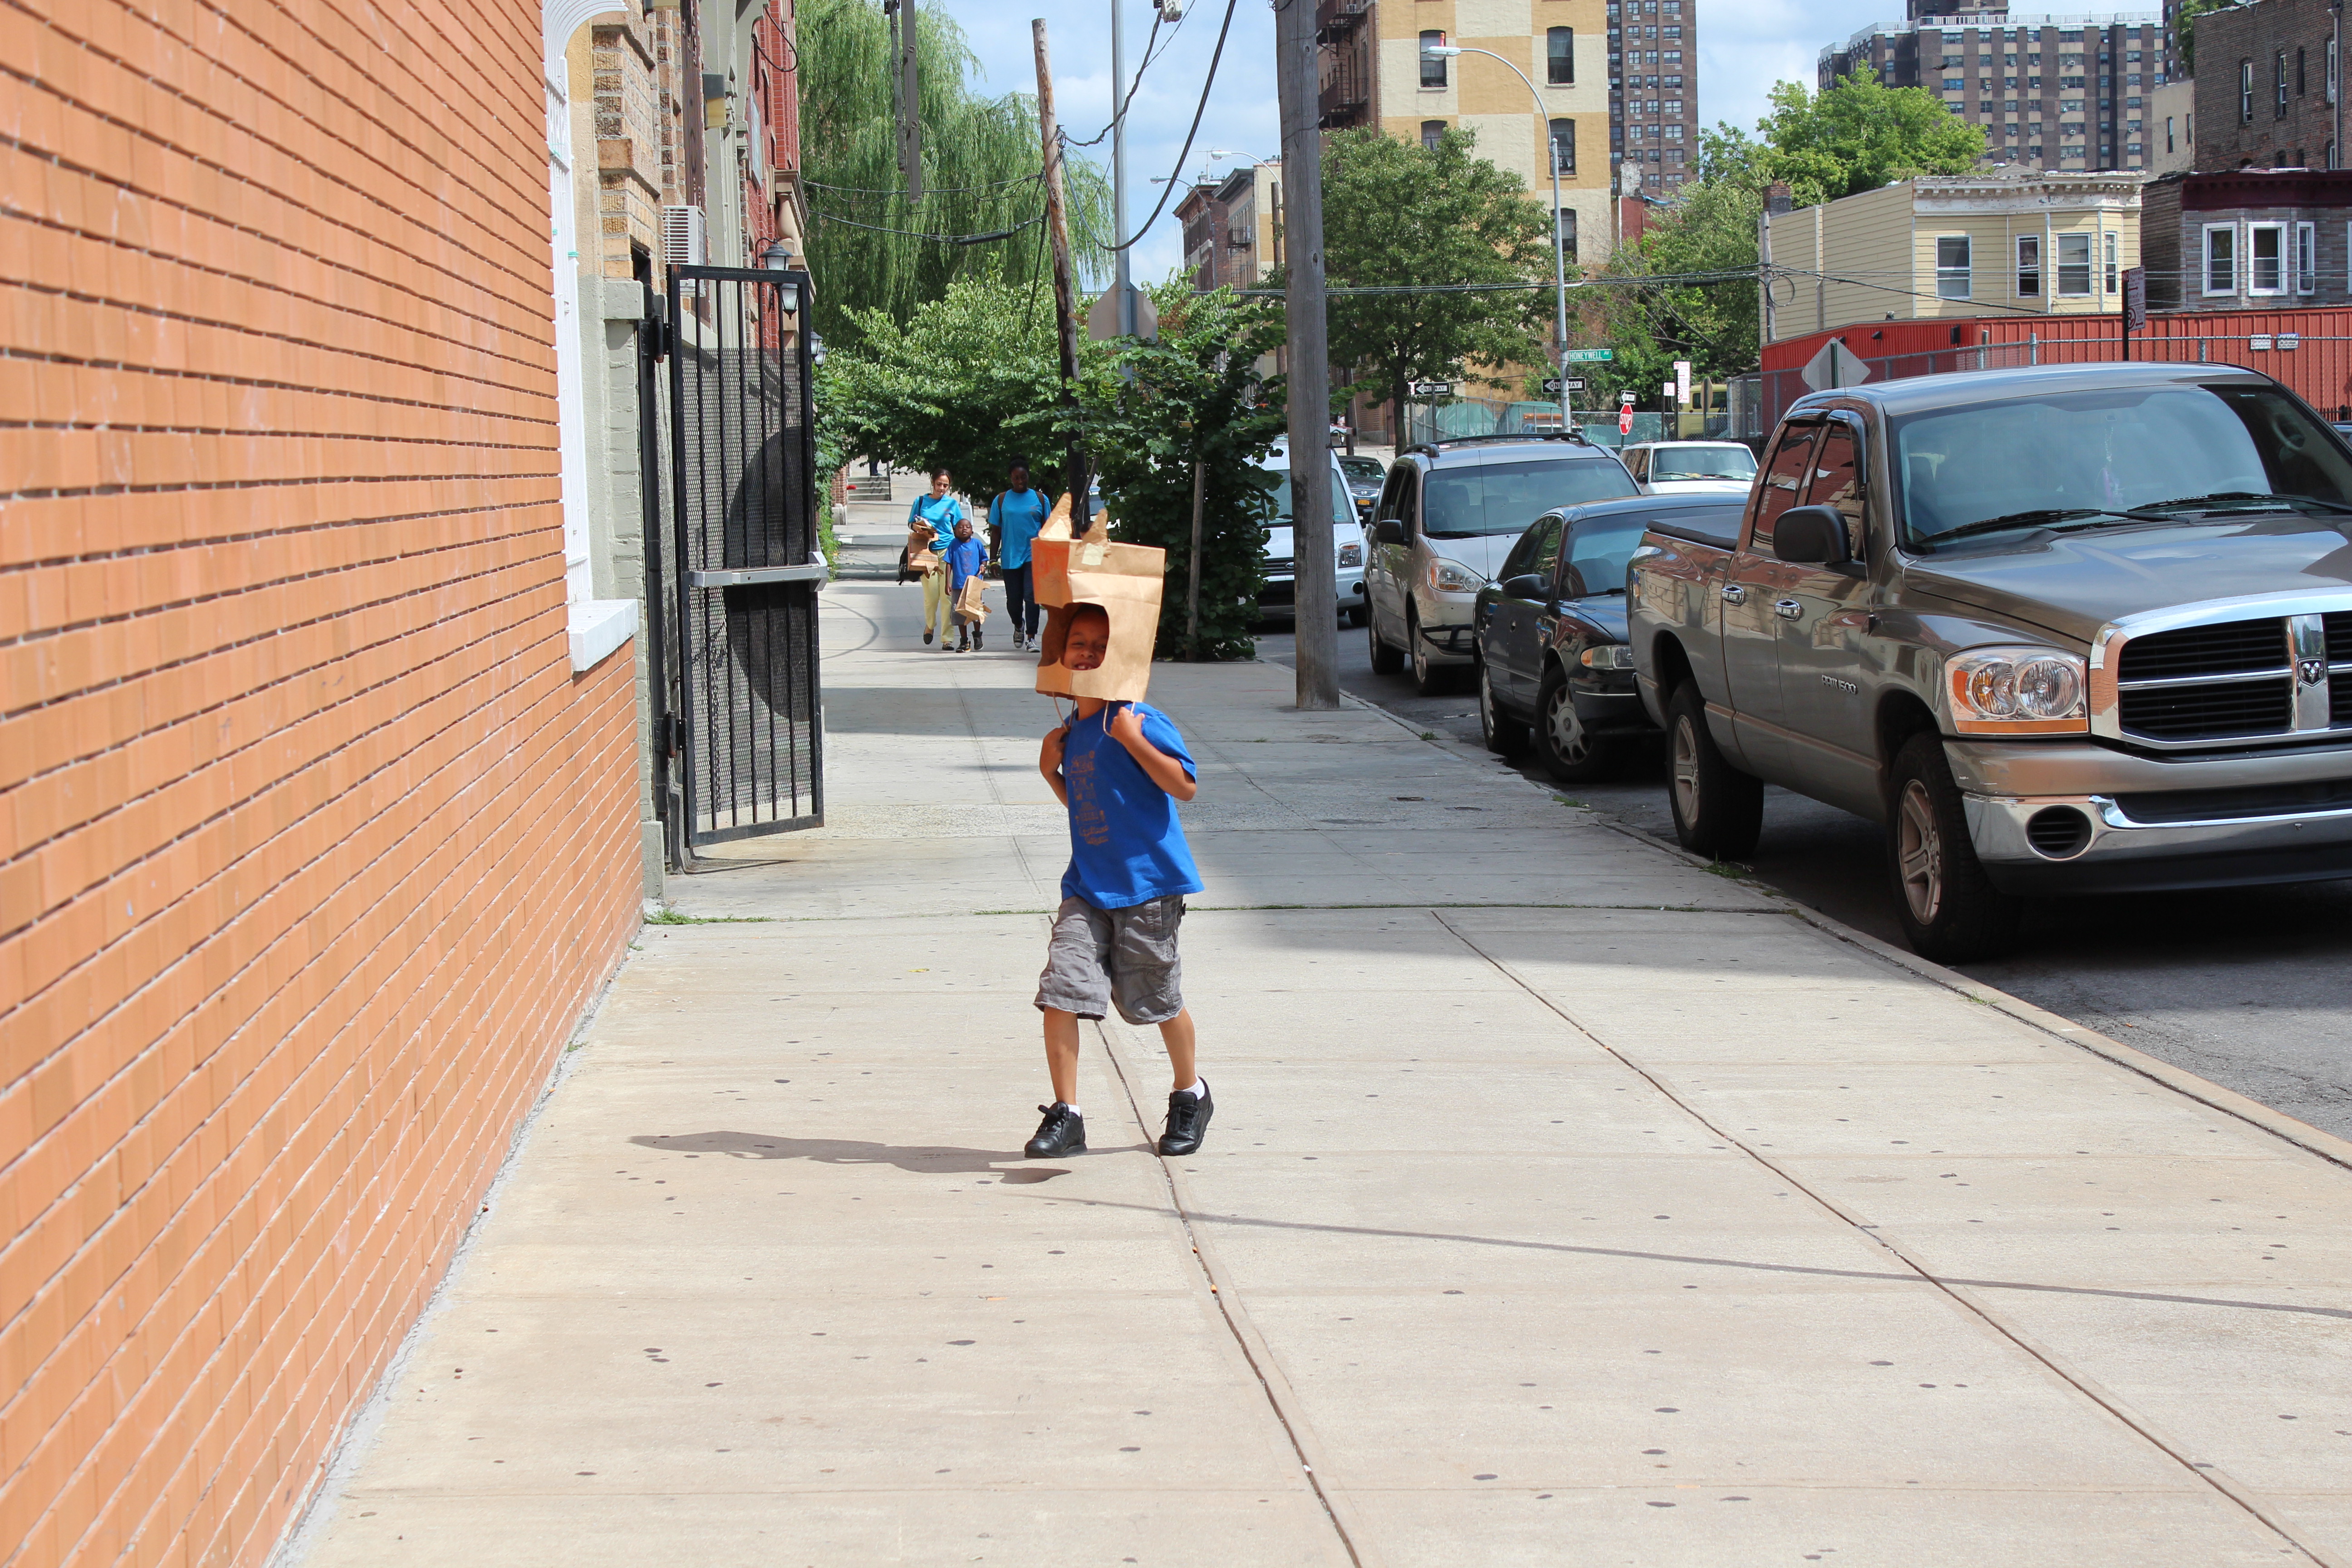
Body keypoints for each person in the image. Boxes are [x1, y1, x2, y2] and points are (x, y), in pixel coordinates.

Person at [1026, 606, 1210, 1160]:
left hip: (1147, 889)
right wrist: (1050, 773)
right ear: (1061, 653)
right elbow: (1087, 810)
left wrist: (1133, 739)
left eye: (1101, 645)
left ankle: (1190, 1092)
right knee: (1062, 989)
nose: (1088, 652)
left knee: (1154, 1001)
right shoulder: (1072, 734)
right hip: (1086, 888)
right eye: (1078, 642)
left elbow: (1185, 787)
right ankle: (1068, 1114)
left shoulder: (1139, 719)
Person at [989, 461, 1050, 652]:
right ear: (1011, 478)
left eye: (1024, 477)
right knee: (1013, 602)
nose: (1020, 481)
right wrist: (993, 560)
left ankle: (1031, 637)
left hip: (1034, 556)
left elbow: (1048, 530)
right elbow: (996, 531)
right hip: (1010, 557)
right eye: (1016, 478)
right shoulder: (1001, 500)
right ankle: (1018, 625)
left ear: (1029, 476)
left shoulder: (1040, 499)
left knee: (1032, 597)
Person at [908, 468, 964, 647]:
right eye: (939, 484)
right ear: (933, 483)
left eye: (946, 485)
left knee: (947, 596)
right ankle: (930, 625)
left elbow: (960, 527)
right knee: (931, 596)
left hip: (947, 552)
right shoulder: (921, 501)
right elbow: (911, 523)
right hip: (926, 552)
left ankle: (947, 639)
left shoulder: (952, 504)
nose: (942, 488)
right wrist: (918, 527)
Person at [943, 517, 990, 652]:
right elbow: (949, 563)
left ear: (972, 531)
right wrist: (948, 582)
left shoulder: (977, 544)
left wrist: (983, 566)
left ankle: (977, 636)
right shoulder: (953, 545)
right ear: (955, 531)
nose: (964, 529)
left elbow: (984, 559)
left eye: (967, 527)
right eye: (961, 527)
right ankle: (964, 641)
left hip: (974, 585)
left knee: (975, 611)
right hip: (958, 584)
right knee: (959, 612)